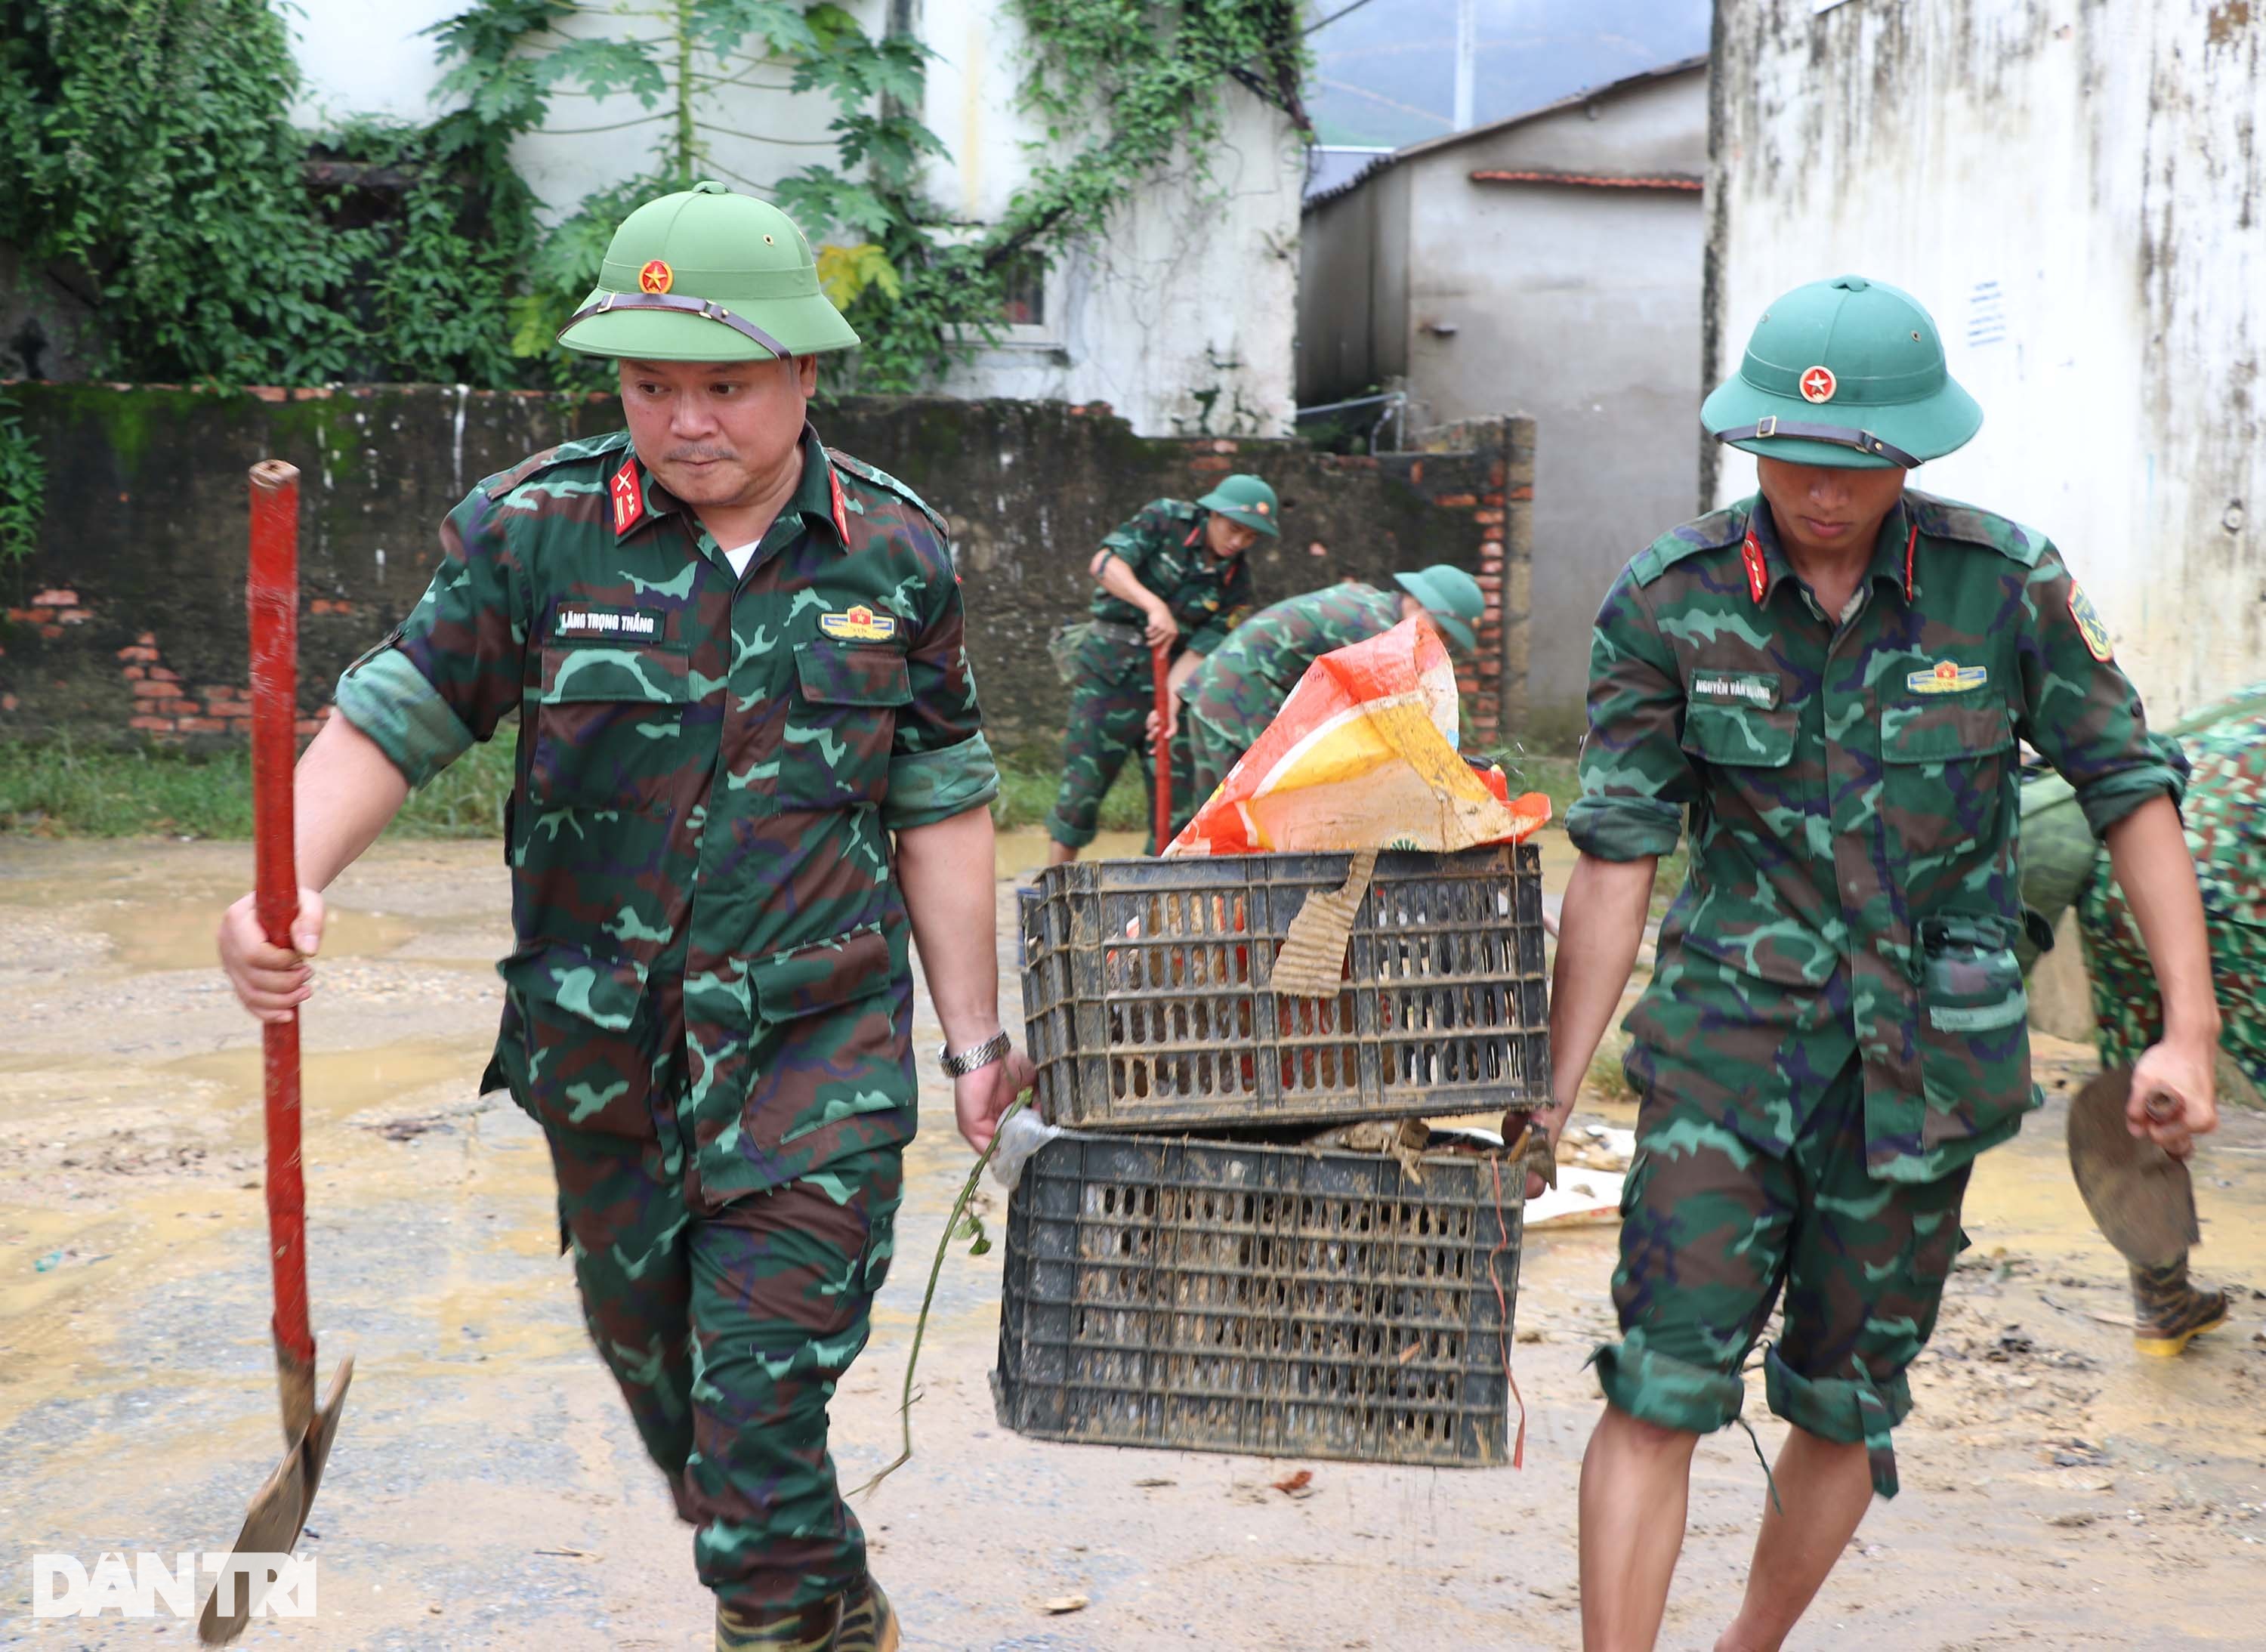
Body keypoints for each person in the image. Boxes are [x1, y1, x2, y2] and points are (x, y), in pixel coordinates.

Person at [215, 181, 1032, 1652]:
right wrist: (282, 890)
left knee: (751, 1412)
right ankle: (836, 1610)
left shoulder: (895, 554)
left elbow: (941, 797)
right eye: (653, 384)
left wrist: (974, 1036)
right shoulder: (539, 533)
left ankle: (789, 1612)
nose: (688, 418)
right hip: (608, 1075)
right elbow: (388, 721)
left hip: (818, 1060)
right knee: (710, 1446)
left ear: (803, 372)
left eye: (724, 383)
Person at [1538, 273, 2218, 1652]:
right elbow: (1615, 857)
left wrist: (2186, 1031)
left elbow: (2129, 791)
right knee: (1662, 1379)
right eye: (1788, 456)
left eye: (1853, 463)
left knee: (1845, 1396)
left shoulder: (2003, 585)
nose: (1820, 490)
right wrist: (1551, 1093)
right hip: (1725, 1060)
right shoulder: (1669, 602)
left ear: (1912, 448)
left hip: (1924, 1081)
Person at [2020, 681, 2266, 1355]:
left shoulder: (2239, 705)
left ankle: (2163, 1304)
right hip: (2228, 902)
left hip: (2126, 879)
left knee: (2146, 1094)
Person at [1159, 565, 1486, 837]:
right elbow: (1394, 720)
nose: (1439, 644)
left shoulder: (1375, 607)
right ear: (1418, 604)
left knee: (1232, 821)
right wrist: (1447, 769)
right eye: (1442, 632)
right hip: (1237, 703)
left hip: (1224, 694)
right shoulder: (1374, 630)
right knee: (1238, 823)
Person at [1042, 476, 1268, 860]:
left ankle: (1153, 902)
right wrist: (1153, 605)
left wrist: (1168, 706)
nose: (1238, 543)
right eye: (1233, 530)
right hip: (1109, 675)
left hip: (1173, 680)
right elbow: (1105, 564)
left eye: (1249, 538)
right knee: (1079, 795)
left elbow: (1199, 652)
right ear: (1212, 514)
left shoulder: (1237, 582)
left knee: (1174, 810)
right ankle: (1051, 897)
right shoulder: (1166, 519)